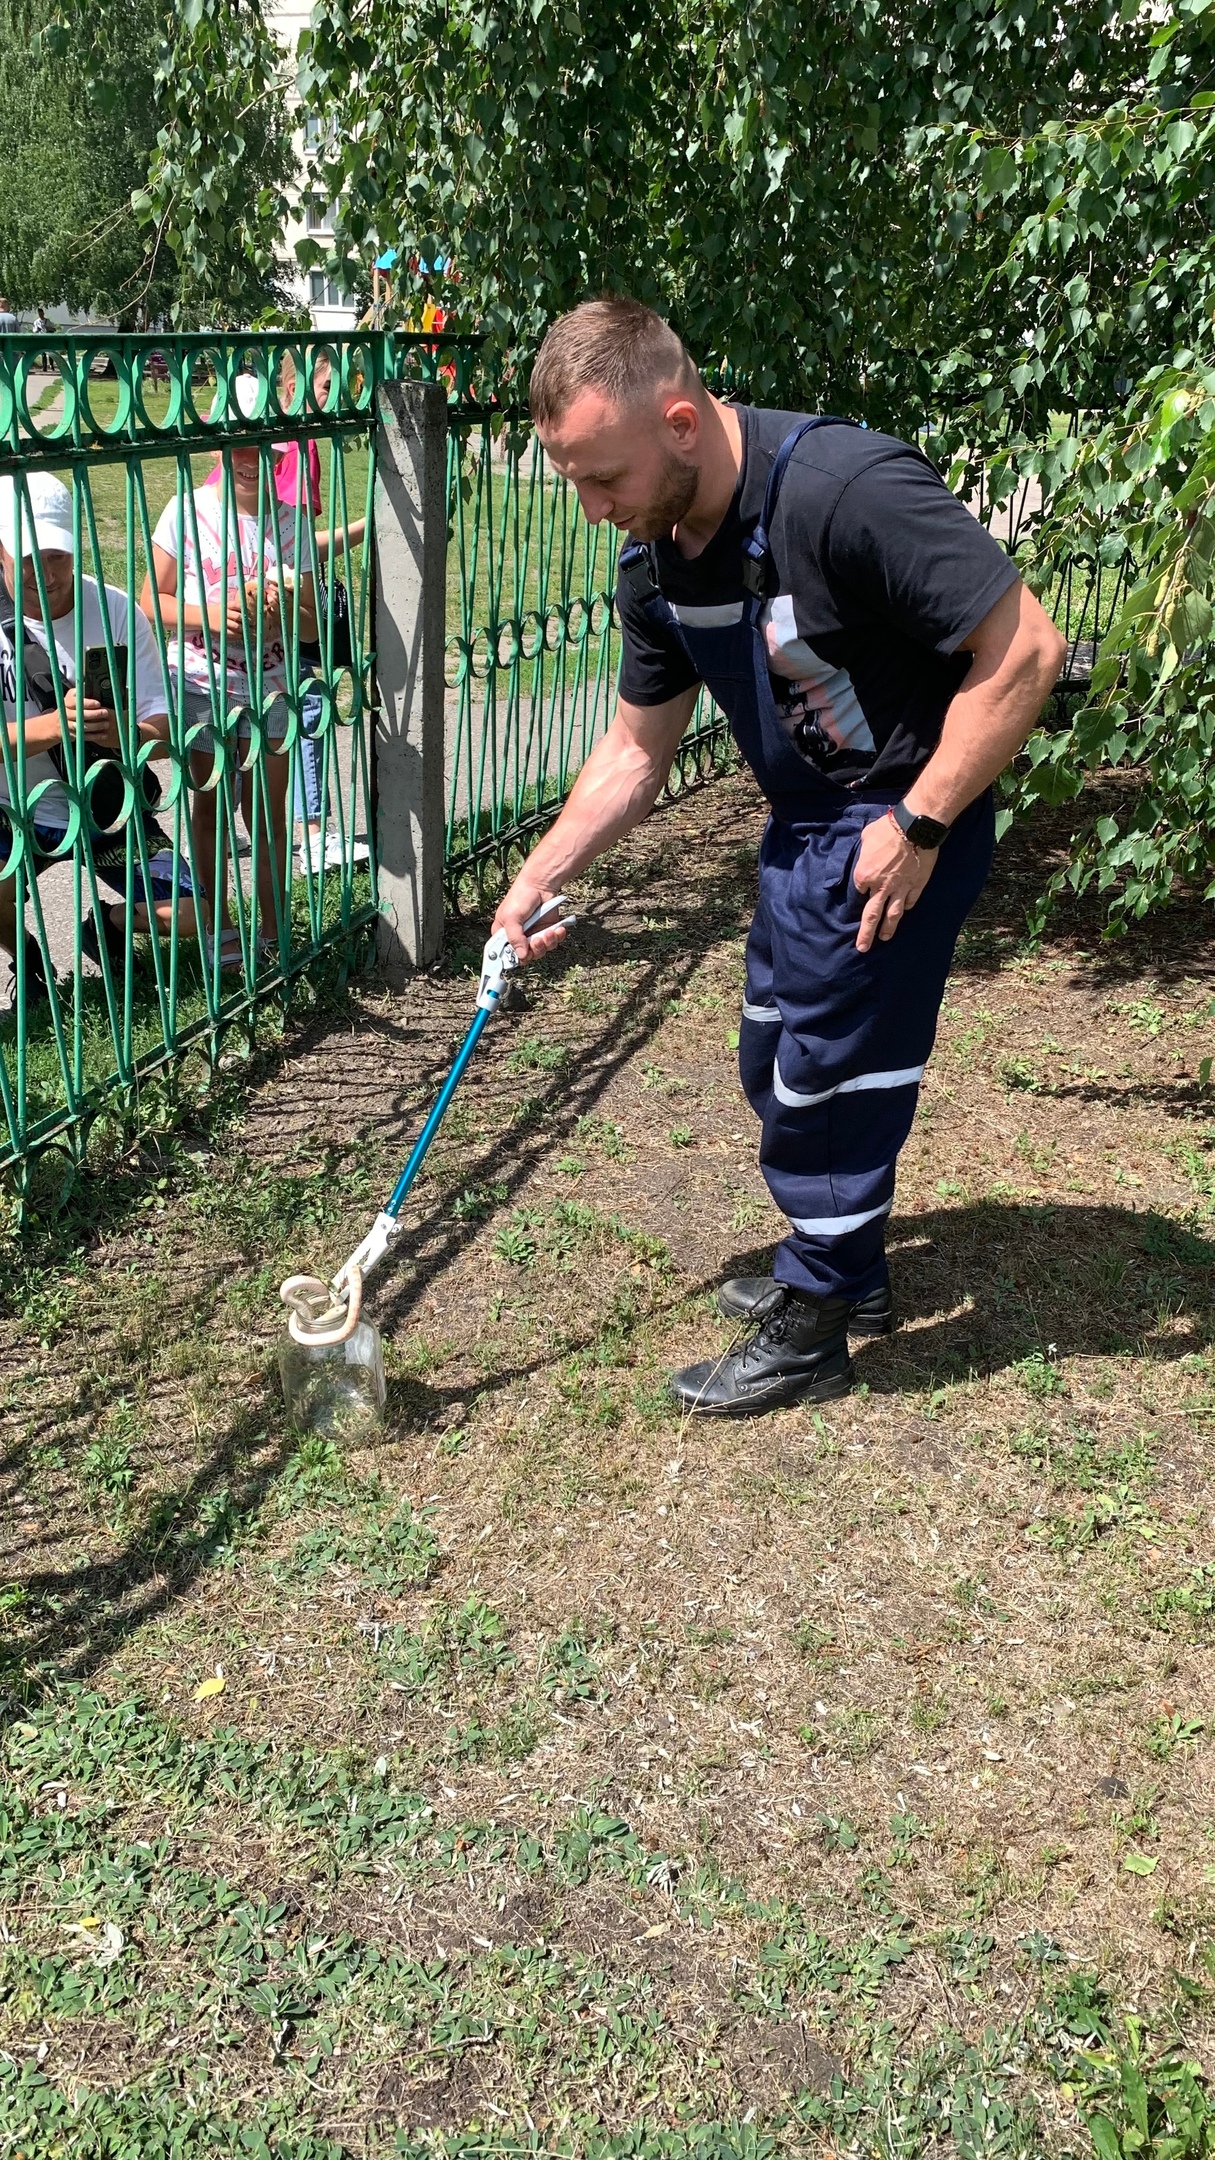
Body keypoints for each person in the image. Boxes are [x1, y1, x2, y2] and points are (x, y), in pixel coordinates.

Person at [493, 298, 1066, 1416]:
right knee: (774, 1060)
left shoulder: (845, 491)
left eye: (602, 476)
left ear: (682, 421)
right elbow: (632, 750)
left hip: (901, 822)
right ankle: (843, 1267)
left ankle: (818, 1321)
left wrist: (922, 824)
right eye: (573, 481)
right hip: (805, 831)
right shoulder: (655, 565)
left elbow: (1027, 650)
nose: (592, 506)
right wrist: (537, 875)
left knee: (830, 1081)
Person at [141, 373, 319, 970]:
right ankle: (219, 933)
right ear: (218, 450)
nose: (249, 461)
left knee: (268, 816)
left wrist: (283, 605)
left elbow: (314, 629)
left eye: (260, 449)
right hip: (200, 685)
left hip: (270, 687)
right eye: (237, 447)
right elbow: (149, 604)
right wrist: (210, 614)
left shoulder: (289, 521)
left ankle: (274, 936)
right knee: (210, 810)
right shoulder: (185, 511)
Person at [0, 472, 195, 1008]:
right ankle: (27, 956)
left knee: (197, 916)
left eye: (58, 555)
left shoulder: (113, 611)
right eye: (28, 556)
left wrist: (128, 733)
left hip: (106, 805)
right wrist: (52, 728)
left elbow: (163, 726)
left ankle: (105, 928)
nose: (46, 572)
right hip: (14, 808)